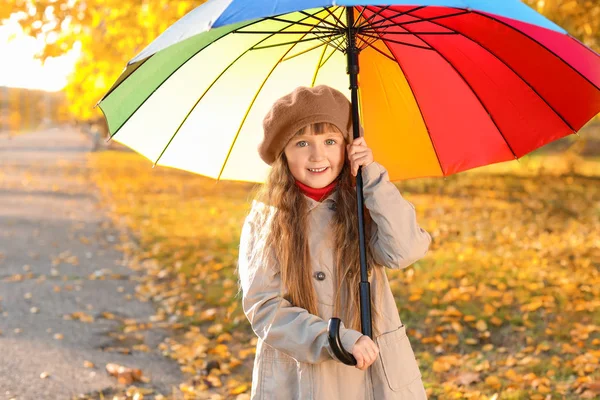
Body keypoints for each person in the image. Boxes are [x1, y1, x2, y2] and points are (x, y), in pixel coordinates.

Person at [236, 85, 431, 400]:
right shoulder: (266, 221)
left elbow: (404, 251)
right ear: (282, 152)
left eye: (330, 141)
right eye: (302, 143)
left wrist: (371, 178)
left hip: (375, 376)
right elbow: (265, 309)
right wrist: (336, 338)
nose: (317, 155)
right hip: (303, 378)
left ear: (349, 146)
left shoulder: (364, 205)